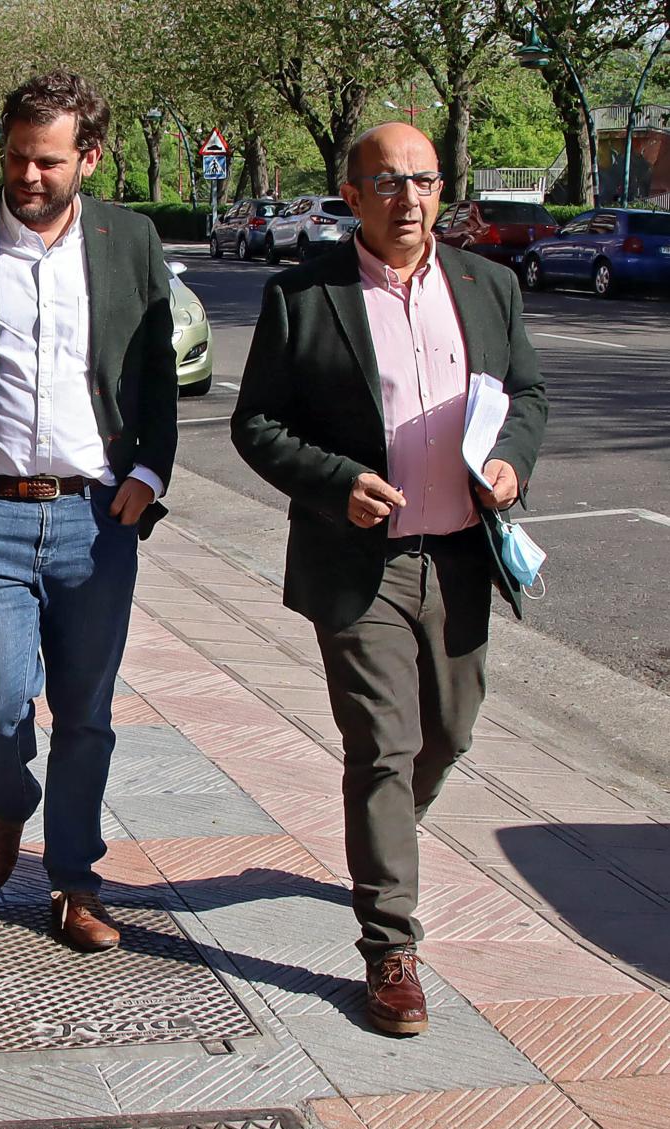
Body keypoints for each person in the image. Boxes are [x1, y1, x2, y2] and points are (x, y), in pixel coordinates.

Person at [231, 123, 547, 1037]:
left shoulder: (490, 287)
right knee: (382, 746)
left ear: (439, 192)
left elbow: (526, 395)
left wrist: (513, 464)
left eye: (423, 181)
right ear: (352, 194)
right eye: (386, 183)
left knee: (446, 735)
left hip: (459, 555)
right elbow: (258, 426)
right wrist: (338, 484)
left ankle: (382, 840)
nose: (407, 199)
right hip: (357, 562)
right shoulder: (304, 296)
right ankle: (391, 950)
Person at [0, 70, 177, 951]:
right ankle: (9, 800)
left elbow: (156, 373)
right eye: (16, 157)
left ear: (87, 157)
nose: (28, 176)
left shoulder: (131, 240)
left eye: (48, 161)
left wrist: (152, 472)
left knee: (86, 712)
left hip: (97, 518)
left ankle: (77, 883)